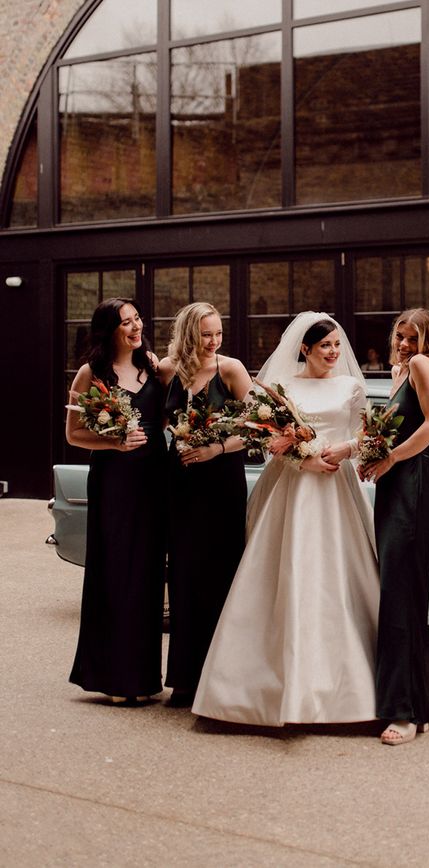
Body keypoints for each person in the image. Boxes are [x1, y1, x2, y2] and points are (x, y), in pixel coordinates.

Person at [192, 311, 380, 727]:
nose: (333, 352)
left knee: (339, 576)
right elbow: (264, 434)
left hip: (336, 487)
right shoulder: (283, 387)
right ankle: (252, 688)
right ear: (304, 349)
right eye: (325, 346)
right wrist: (302, 459)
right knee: (282, 573)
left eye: (336, 345)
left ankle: (350, 687)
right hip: (291, 488)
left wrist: (343, 450)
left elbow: (364, 434)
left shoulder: (351, 385)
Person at [66, 298, 167, 705]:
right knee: (115, 572)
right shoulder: (92, 374)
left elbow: (163, 422)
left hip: (154, 480)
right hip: (114, 483)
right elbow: (73, 434)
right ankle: (112, 677)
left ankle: (142, 679)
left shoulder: (155, 370)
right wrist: (115, 442)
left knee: (146, 575)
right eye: (126, 322)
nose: (135, 327)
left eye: (138, 319)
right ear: (109, 330)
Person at [361, 308, 429, 745]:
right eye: (399, 336)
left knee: (399, 595)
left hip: (412, 485)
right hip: (396, 485)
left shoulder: (420, 365)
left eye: (411, 337)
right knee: (404, 594)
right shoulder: (401, 371)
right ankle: (426, 691)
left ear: (425, 340)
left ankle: (406, 712)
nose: (403, 344)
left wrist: (391, 457)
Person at [159, 302, 251, 707]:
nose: (213, 342)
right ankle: (184, 678)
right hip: (180, 486)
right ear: (187, 335)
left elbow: (257, 428)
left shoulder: (230, 369)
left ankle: (223, 678)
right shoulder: (166, 371)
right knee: (183, 577)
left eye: (217, 333)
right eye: (205, 335)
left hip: (221, 485)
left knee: (222, 576)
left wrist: (216, 448)